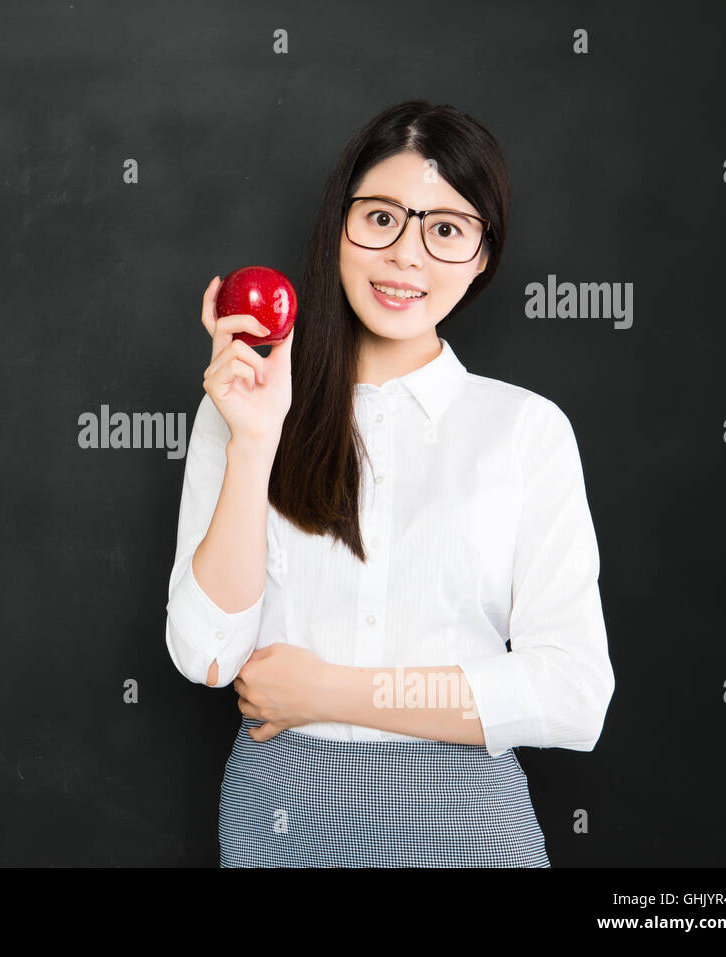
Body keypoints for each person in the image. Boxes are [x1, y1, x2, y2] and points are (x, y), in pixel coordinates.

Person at [163, 99, 616, 867]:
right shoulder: (248, 405)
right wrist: (255, 439)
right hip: (283, 820)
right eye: (381, 218)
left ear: (482, 256)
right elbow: (205, 656)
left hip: (473, 830)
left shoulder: (526, 430)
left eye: (445, 229)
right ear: (338, 226)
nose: (407, 255)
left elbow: (574, 693)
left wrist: (331, 692)